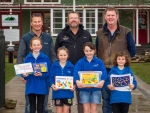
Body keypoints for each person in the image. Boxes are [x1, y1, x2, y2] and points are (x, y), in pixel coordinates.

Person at [95, 7, 136, 113]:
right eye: (108, 15)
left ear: (117, 16)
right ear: (105, 17)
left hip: (120, 71)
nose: (110, 17)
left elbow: (132, 50)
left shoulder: (126, 31)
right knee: (106, 100)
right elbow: (97, 51)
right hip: (105, 70)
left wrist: (123, 63)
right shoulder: (99, 33)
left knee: (121, 100)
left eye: (112, 15)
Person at [17, 13, 56, 113]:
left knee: (43, 104)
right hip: (30, 78)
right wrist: (22, 74)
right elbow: (20, 56)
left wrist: (51, 74)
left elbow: (53, 56)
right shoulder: (25, 38)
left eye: (39, 21)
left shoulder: (48, 38)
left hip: (44, 77)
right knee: (30, 105)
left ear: (42, 23)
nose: (37, 24)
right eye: (35, 22)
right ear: (31, 23)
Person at [55, 11, 92, 113]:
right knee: (66, 99)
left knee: (82, 99)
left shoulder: (86, 34)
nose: (74, 20)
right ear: (68, 21)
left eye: (76, 18)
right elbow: (56, 52)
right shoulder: (61, 35)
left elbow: (91, 52)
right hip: (67, 71)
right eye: (71, 18)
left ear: (79, 20)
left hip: (83, 71)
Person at [74, 42, 107, 113]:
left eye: (90, 50)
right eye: (86, 51)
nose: (88, 53)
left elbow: (104, 73)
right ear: (83, 51)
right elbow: (75, 72)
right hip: (84, 90)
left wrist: (102, 81)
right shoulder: (80, 62)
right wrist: (77, 81)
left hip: (96, 89)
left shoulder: (99, 62)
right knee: (86, 110)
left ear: (94, 50)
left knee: (94, 110)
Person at [22, 37, 51, 113]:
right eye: (34, 45)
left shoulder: (45, 58)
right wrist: (24, 75)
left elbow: (49, 73)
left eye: (38, 45)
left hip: (41, 86)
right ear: (31, 47)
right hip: (31, 86)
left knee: (40, 108)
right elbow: (24, 74)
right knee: (32, 108)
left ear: (41, 46)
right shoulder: (27, 59)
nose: (36, 47)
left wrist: (42, 74)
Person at [49, 47, 75, 113]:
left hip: (68, 93)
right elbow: (50, 78)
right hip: (57, 93)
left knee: (66, 111)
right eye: (61, 55)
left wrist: (74, 86)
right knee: (59, 111)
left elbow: (75, 78)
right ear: (57, 55)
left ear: (68, 55)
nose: (63, 57)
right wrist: (52, 85)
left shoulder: (71, 67)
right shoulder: (54, 66)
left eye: (64, 55)